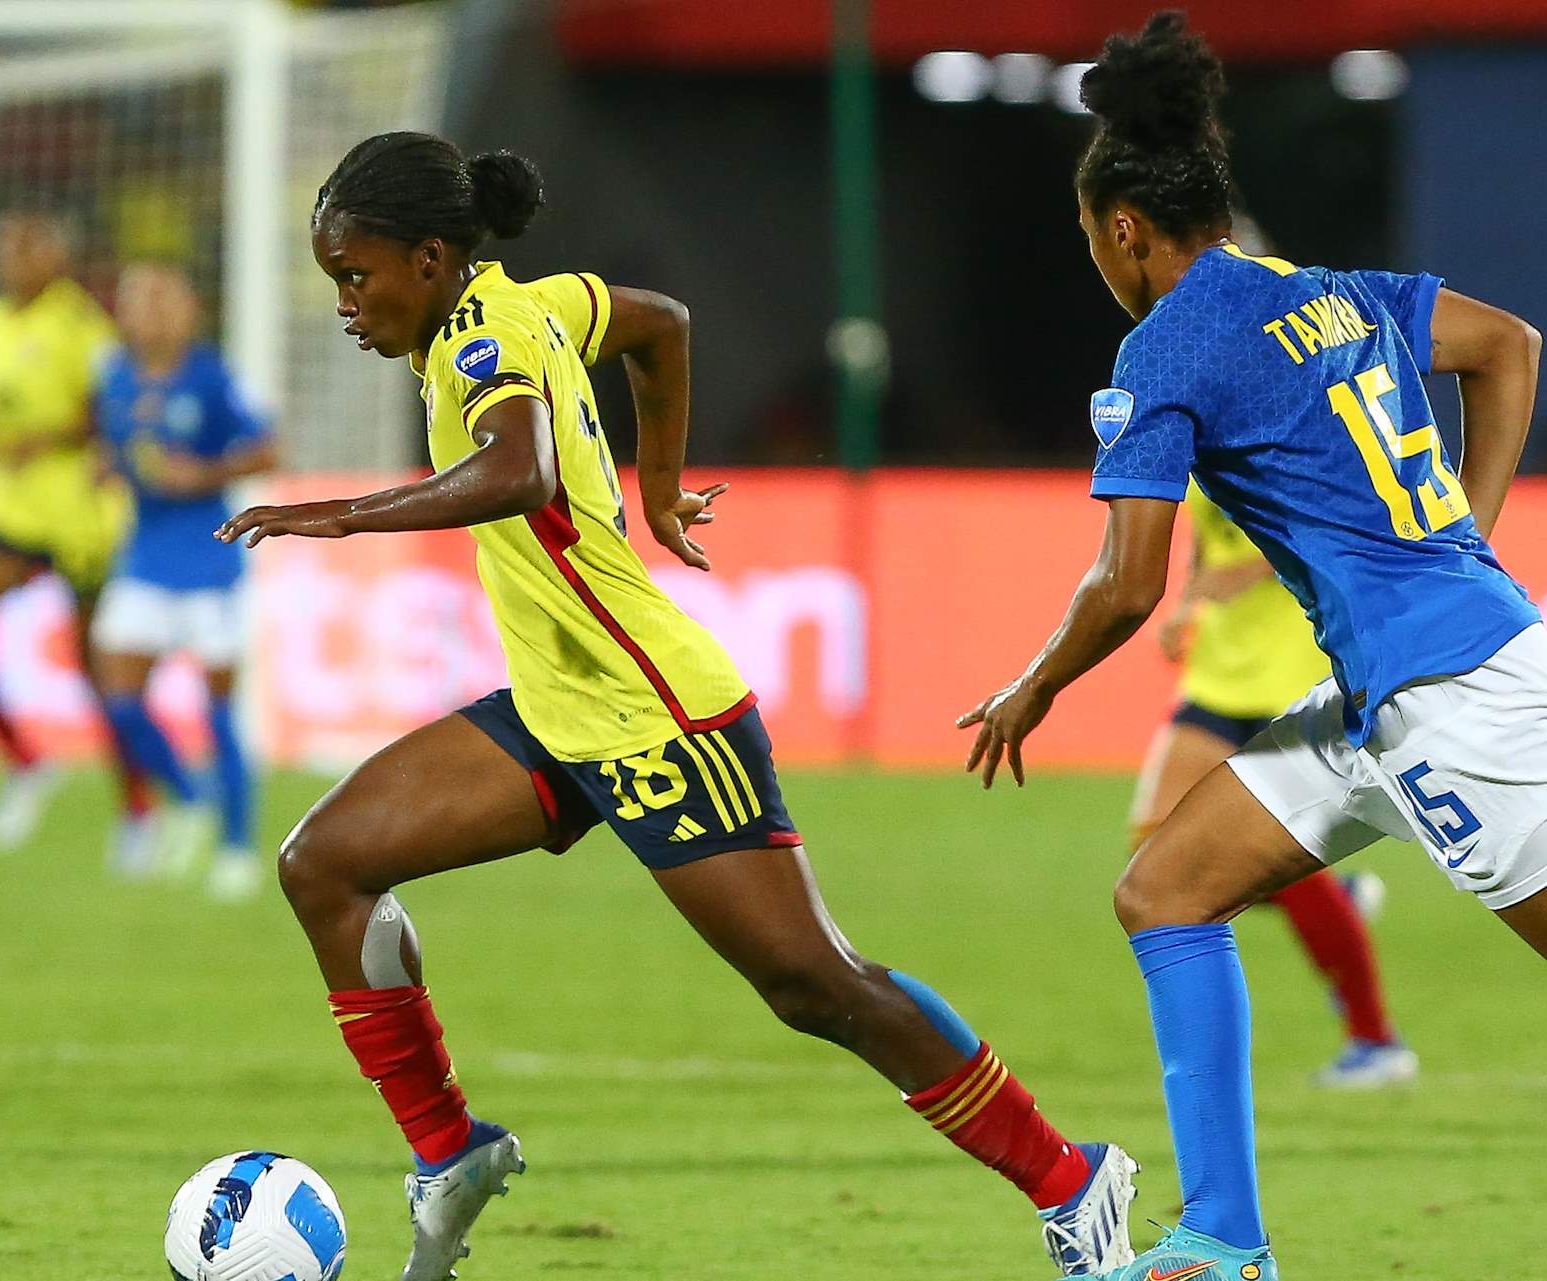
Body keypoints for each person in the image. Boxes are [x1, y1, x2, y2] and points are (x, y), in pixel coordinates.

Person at [214, 132, 1140, 1281]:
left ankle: (1074, 1180)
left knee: (816, 985)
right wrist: (655, 488)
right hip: (561, 710)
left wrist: (343, 515)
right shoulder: (531, 299)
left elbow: (522, 469)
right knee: (327, 862)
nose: (347, 305)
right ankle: (449, 1152)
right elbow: (661, 324)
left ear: (433, 255)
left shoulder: (484, 341)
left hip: (658, 719)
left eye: (356, 276)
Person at [958, 14, 1544, 1280]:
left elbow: (1125, 586)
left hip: (1455, 705)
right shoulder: (1328, 293)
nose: (1097, 264)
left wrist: (1031, 687)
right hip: (1388, 688)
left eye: (1090, 242)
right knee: (1165, 890)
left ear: (1122, 229)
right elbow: (1510, 348)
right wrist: (1468, 533)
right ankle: (1224, 1241)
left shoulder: (1166, 345)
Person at [1135, 480, 1414, 1087]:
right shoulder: (1194, 442)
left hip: (1288, 675)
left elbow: (1322, 527)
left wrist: (1252, 573)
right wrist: (1186, 603)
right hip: (1219, 675)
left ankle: (1376, 1042)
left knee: (1234, 858)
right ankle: (1334, 897)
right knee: (1151, 849)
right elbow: (1210, 539)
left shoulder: (1277, 432)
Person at [0, 212, 155, 858]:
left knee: (98, 670)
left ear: (55, 257)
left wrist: (47, 438)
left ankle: (137, 811)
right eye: (4, 249)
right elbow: (6, 404)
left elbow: (108, 412)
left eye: (27, 248)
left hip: (78, 511)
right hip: (10, 507)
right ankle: (26, 761)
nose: (11, 260)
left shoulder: (82, 327)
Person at [91, 263, 278, 897]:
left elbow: (267, 449)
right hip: (143, 558)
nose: (147, 311)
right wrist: (107, 470)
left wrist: (199, 477)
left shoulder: (213, 376)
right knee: (117, 698)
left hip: (210, 563)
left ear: (188, 309)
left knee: (219, 707)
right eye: (135, 299)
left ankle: (237, 848)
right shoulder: (112, 377)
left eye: (160, 298)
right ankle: (191, 794)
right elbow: (115, 447)